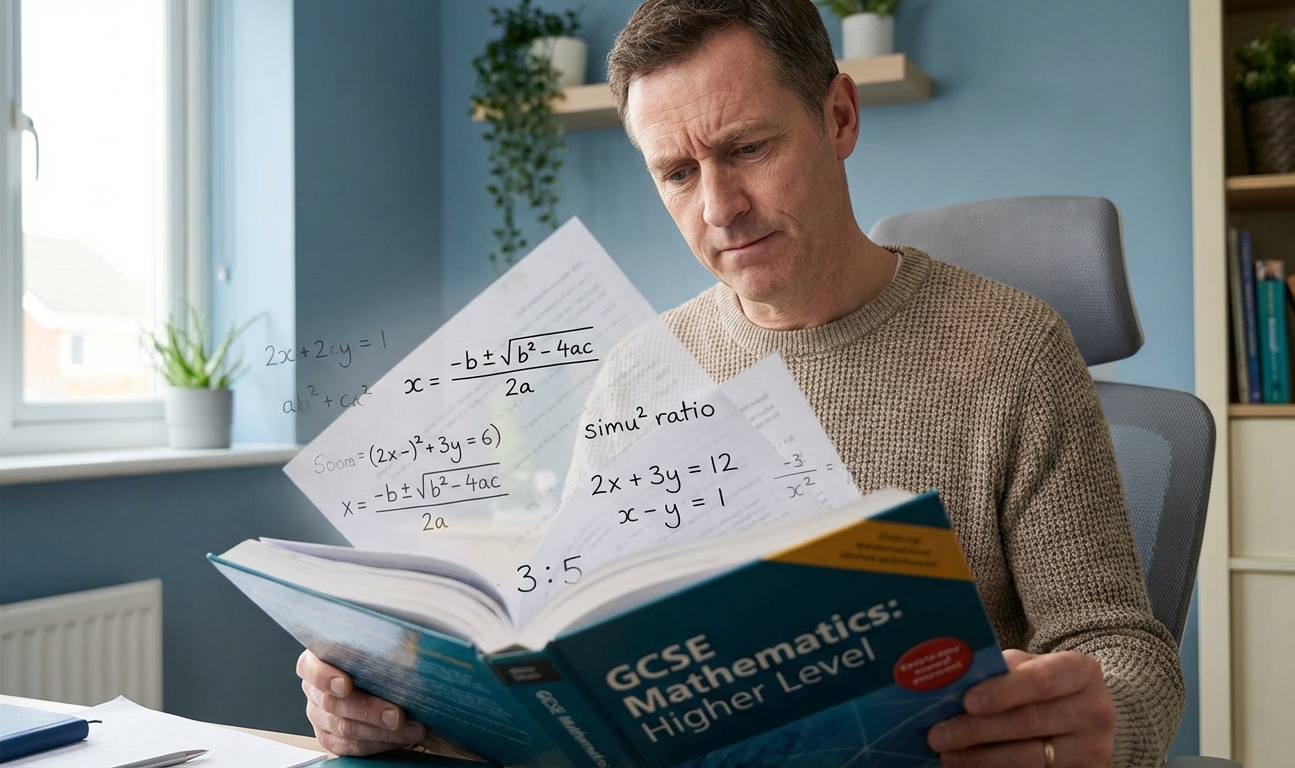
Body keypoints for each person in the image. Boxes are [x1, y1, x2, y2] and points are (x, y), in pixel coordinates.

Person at [296, 1, 1184, 765]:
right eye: (677, 174)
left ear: (839, 116)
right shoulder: (641, 372)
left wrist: (1096, 719)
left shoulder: (1015, 350)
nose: (718, 208)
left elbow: (1123, 651)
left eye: (747, 148)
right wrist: (405, 713)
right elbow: (568, 665)